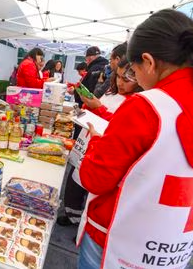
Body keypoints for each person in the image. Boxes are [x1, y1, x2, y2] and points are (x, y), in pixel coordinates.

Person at [78, 9, 193, 268]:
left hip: (116, 244)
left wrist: (94, 142)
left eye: (134, 71)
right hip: (171, 250)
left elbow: (95, 179)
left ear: (148, 61)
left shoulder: (146, 106)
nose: (134, 79)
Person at [57, 59, 141, 228]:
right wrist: (88, 105)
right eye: (117, 77)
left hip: (103, 153)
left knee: (91, 192)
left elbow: (117, 128)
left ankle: (83, 222)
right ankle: (71, 213)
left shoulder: (135, 103)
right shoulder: (111, 92)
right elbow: (94, 114)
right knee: (74, 183)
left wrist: (99, 108)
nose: (120, 83)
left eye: (126, 80)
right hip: (86, 143)